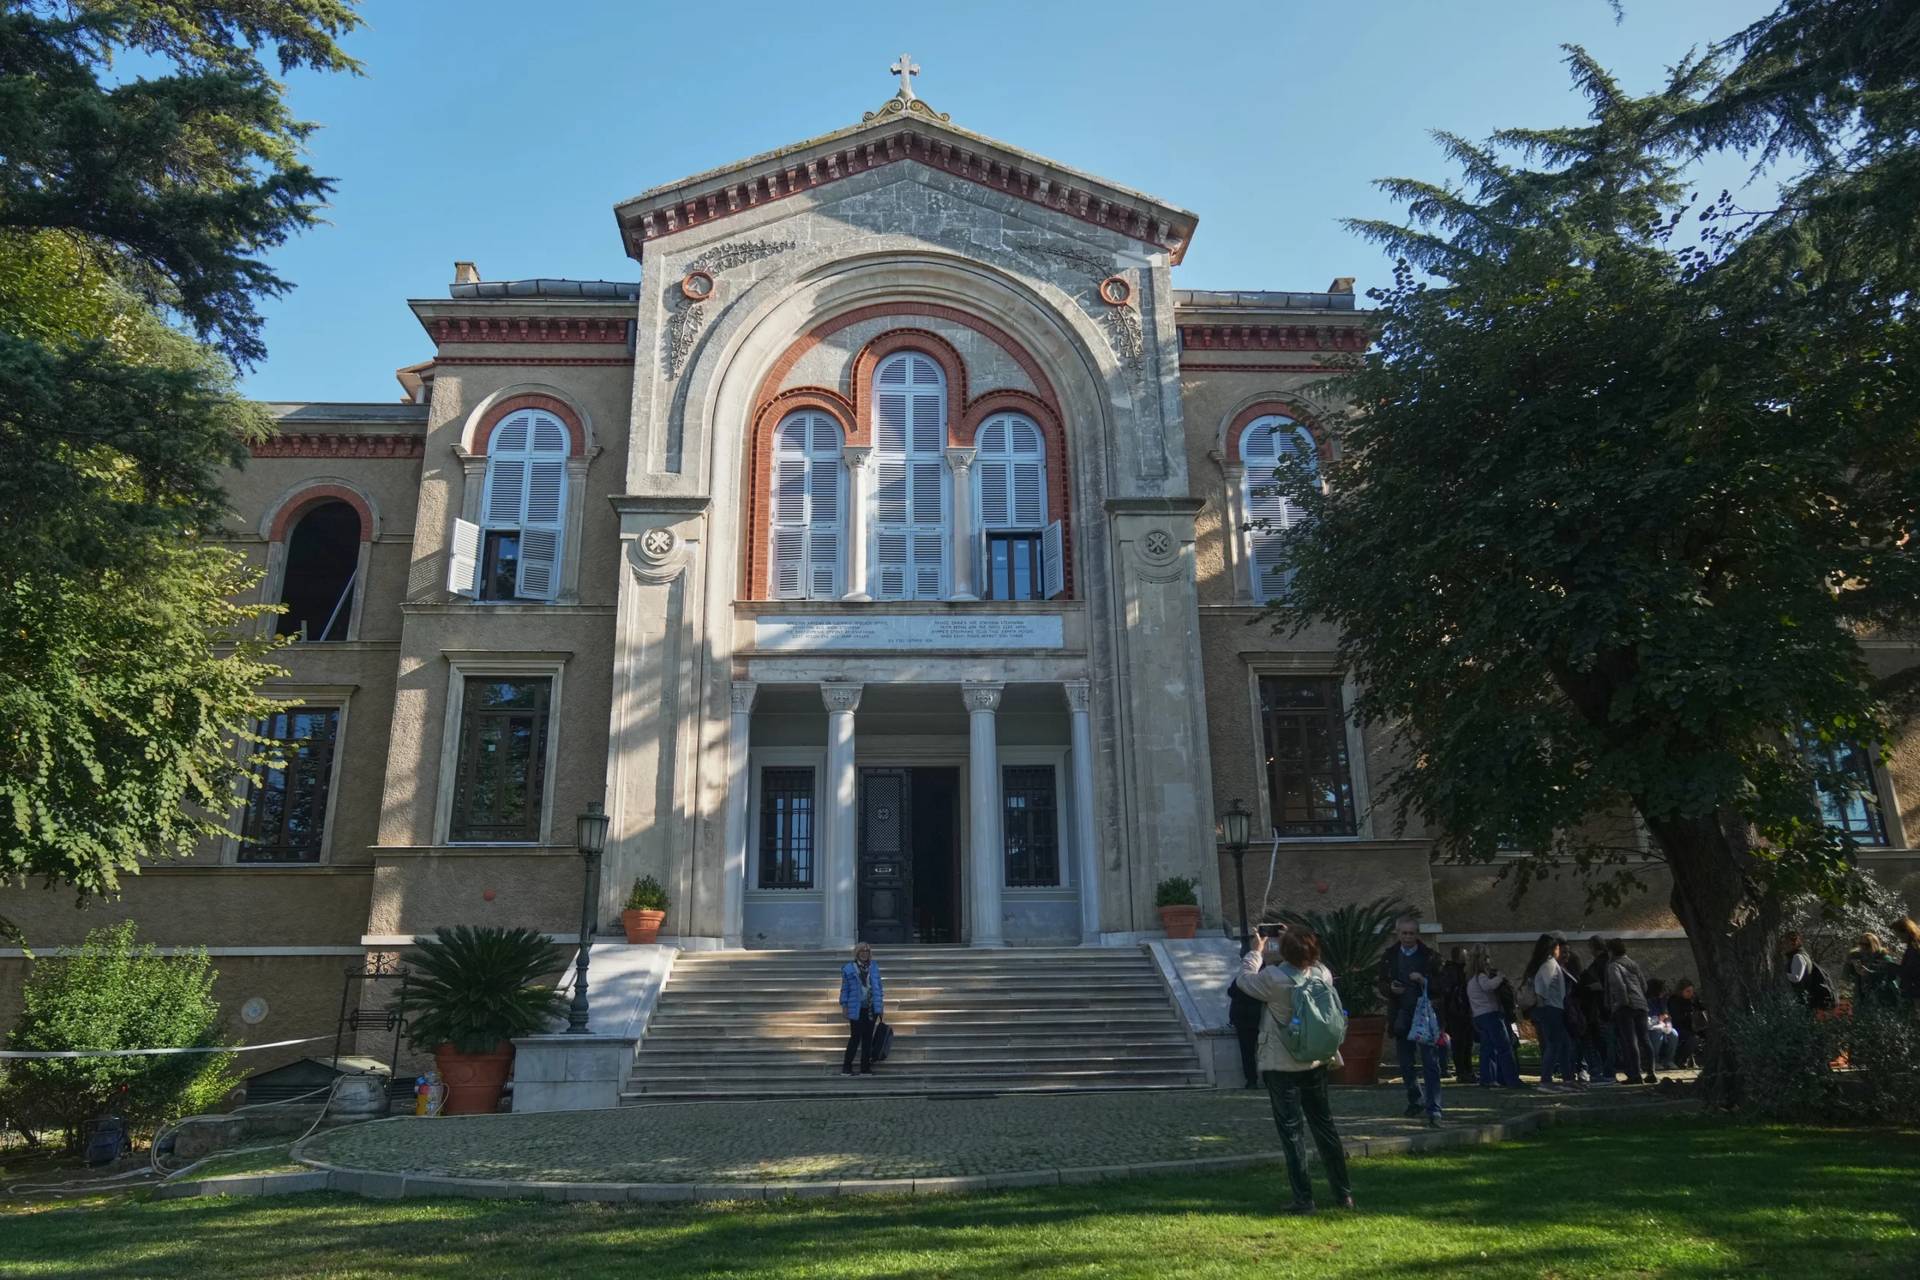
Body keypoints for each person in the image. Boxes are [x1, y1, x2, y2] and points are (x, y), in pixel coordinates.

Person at [1237, 927, 1355, 1213]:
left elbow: (1244, 980)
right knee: (1325, 1126)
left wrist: (1256, 951)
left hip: (1282, 1063)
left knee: (1292, 1132)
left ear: (1284, 951)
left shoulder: (1273, 979)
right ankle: (1343, 1194)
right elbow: (1314, 961)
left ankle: (1304, 1198)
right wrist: (1296, 937)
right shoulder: (1322, 974)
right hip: (1315, 1060)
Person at [1376, 914, 1444, 1126]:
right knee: (1406, 1064)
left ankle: (1434, 1108)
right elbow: (1381, 982)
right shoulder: (1390, 956)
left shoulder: (1430, 956)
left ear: (1417, 934)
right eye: (1404, 933)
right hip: (1401, 1015)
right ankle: (1415, 1099)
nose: (1407, 937)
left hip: (1424, 1015)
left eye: (1411, 933)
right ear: (1398, 934)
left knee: (1430, 1063)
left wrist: (1424, 981)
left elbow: (1442, 985)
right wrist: (1390, 989)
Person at [1522, 933, 1579, 1092]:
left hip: (1554, 1008)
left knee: (1563, 1044)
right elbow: (1541, 988)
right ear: (1554, 949)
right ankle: (1546, 1080)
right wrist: (1544, 1009)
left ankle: (1567, 1079)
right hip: (1550, 1009)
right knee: (1554, 1045)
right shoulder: (1549, 964)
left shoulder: (1549, 964)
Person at [1227, 928, 1283, 1089]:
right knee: (1264, 1051)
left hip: (1246, 1017)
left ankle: (1252, 1080)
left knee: (1248, 1051)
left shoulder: (1248, 979)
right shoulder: (1267, 977)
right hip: (1257, 1017)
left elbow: (1232, 991)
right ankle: (1266, 1079)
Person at [1467, 946, 1522, 1087]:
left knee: (1488, 1048)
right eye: (1487, 958)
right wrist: (1500, 977)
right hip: (1490, 1014)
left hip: (1479, 1016)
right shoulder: (1481, 977)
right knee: (1504, 1047)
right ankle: (1511, 1079)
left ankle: (1487, 1078)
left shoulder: (1471, 979)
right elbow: (1488, 987)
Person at [1603, 938, 1655, 1084]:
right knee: (1645, 1039)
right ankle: (1651, 1072)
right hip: (1641, 1005)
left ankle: (1635, 1074)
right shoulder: (1633, 964)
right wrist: (1640, 997)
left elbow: (1619, 985)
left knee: (1630, 1041)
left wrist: (1621, 1003)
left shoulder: (1613, 966)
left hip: (1625, 1007)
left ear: (1611, 951)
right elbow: (1644, 986)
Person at [839, 942, 885, 1075]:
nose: (865, 954)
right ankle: (847, 1067)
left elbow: (879, 987)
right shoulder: (849, 968)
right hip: (856, 1007)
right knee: (855, 1038)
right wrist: (844, 1005)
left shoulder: (874, 967)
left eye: (867, 951)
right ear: (857, 953)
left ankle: (865, 1068)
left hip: (871, 1008)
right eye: (862, 951)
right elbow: (845, 989)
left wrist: (880, 1006)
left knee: (868, 1038)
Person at [1576, 934, 1612, 1083]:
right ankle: (1606, 1071)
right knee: (1602, 1041)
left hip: (1596, 1007)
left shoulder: (1600, 964)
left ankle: (1601, 1071)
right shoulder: (1606, 962)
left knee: (1597, 1041)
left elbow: (1602, 984)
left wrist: (1590, 987)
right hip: (1600, 1007)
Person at [1441, 946, 1476, 1084]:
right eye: (1465, 955)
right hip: (1456, 1012)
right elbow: (1450, 991)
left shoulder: (1462, 970)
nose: (1467, 958)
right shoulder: (1452, 971)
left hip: (1464, 1011)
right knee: (1460, 1043)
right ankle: (1462, 1071)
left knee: (1467, 1043)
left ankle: (1467, 1070)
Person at [1781, 932, 1837, 1010]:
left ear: (1794, 943)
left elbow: (1796, 978)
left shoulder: (1798, 957)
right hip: (1805, 1000)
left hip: (1801, 1000)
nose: (1783, 946)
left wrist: (1781, 975)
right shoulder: (1803, 955)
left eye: (1785, 943)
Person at [1844, 933, 1900, 1008]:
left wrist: (1869, 973)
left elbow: (1890, 976)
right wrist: (1850, 965)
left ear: (1874, 944)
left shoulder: (1883, 958)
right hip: (1861, 997)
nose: (1863, 947)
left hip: (1881, 997)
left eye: (1867, 945)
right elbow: (1846, 978)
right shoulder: (1856, 956)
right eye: (1861, 944)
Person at [1668, 978, 1707, 1068]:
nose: (1691, 993)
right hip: (1680, 1027)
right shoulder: (1674, 1001)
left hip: (1694, 1027)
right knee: (1693, 1039)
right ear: (1681, 991)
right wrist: (1690, 1015)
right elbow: (1677, 1017)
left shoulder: (1693, 1000)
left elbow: (1701, 1008)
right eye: (1688, 991)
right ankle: (1681, 1060)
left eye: (1692, 991)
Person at [1644, 978, 1680, 1072]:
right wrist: (1658, 1018)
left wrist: (1667, 1022)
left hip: (1662, 1025)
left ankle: (1668, 1060)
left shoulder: (1662, 1001)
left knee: (1674, 1034)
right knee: (1657, 1033)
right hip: (1651, 1027)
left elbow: (1666, 1014)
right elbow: (1647, 1021)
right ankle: (1654, 1061)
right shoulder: (1646, 1001)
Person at [1897, 917, 1920, 1014]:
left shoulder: (1914, 948)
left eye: (1898, 934)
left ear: (1906, 932)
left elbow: (1910, 971)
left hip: (1916, 995)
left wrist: (1890, 966)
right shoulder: (1912, 947)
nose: (1898, 937)